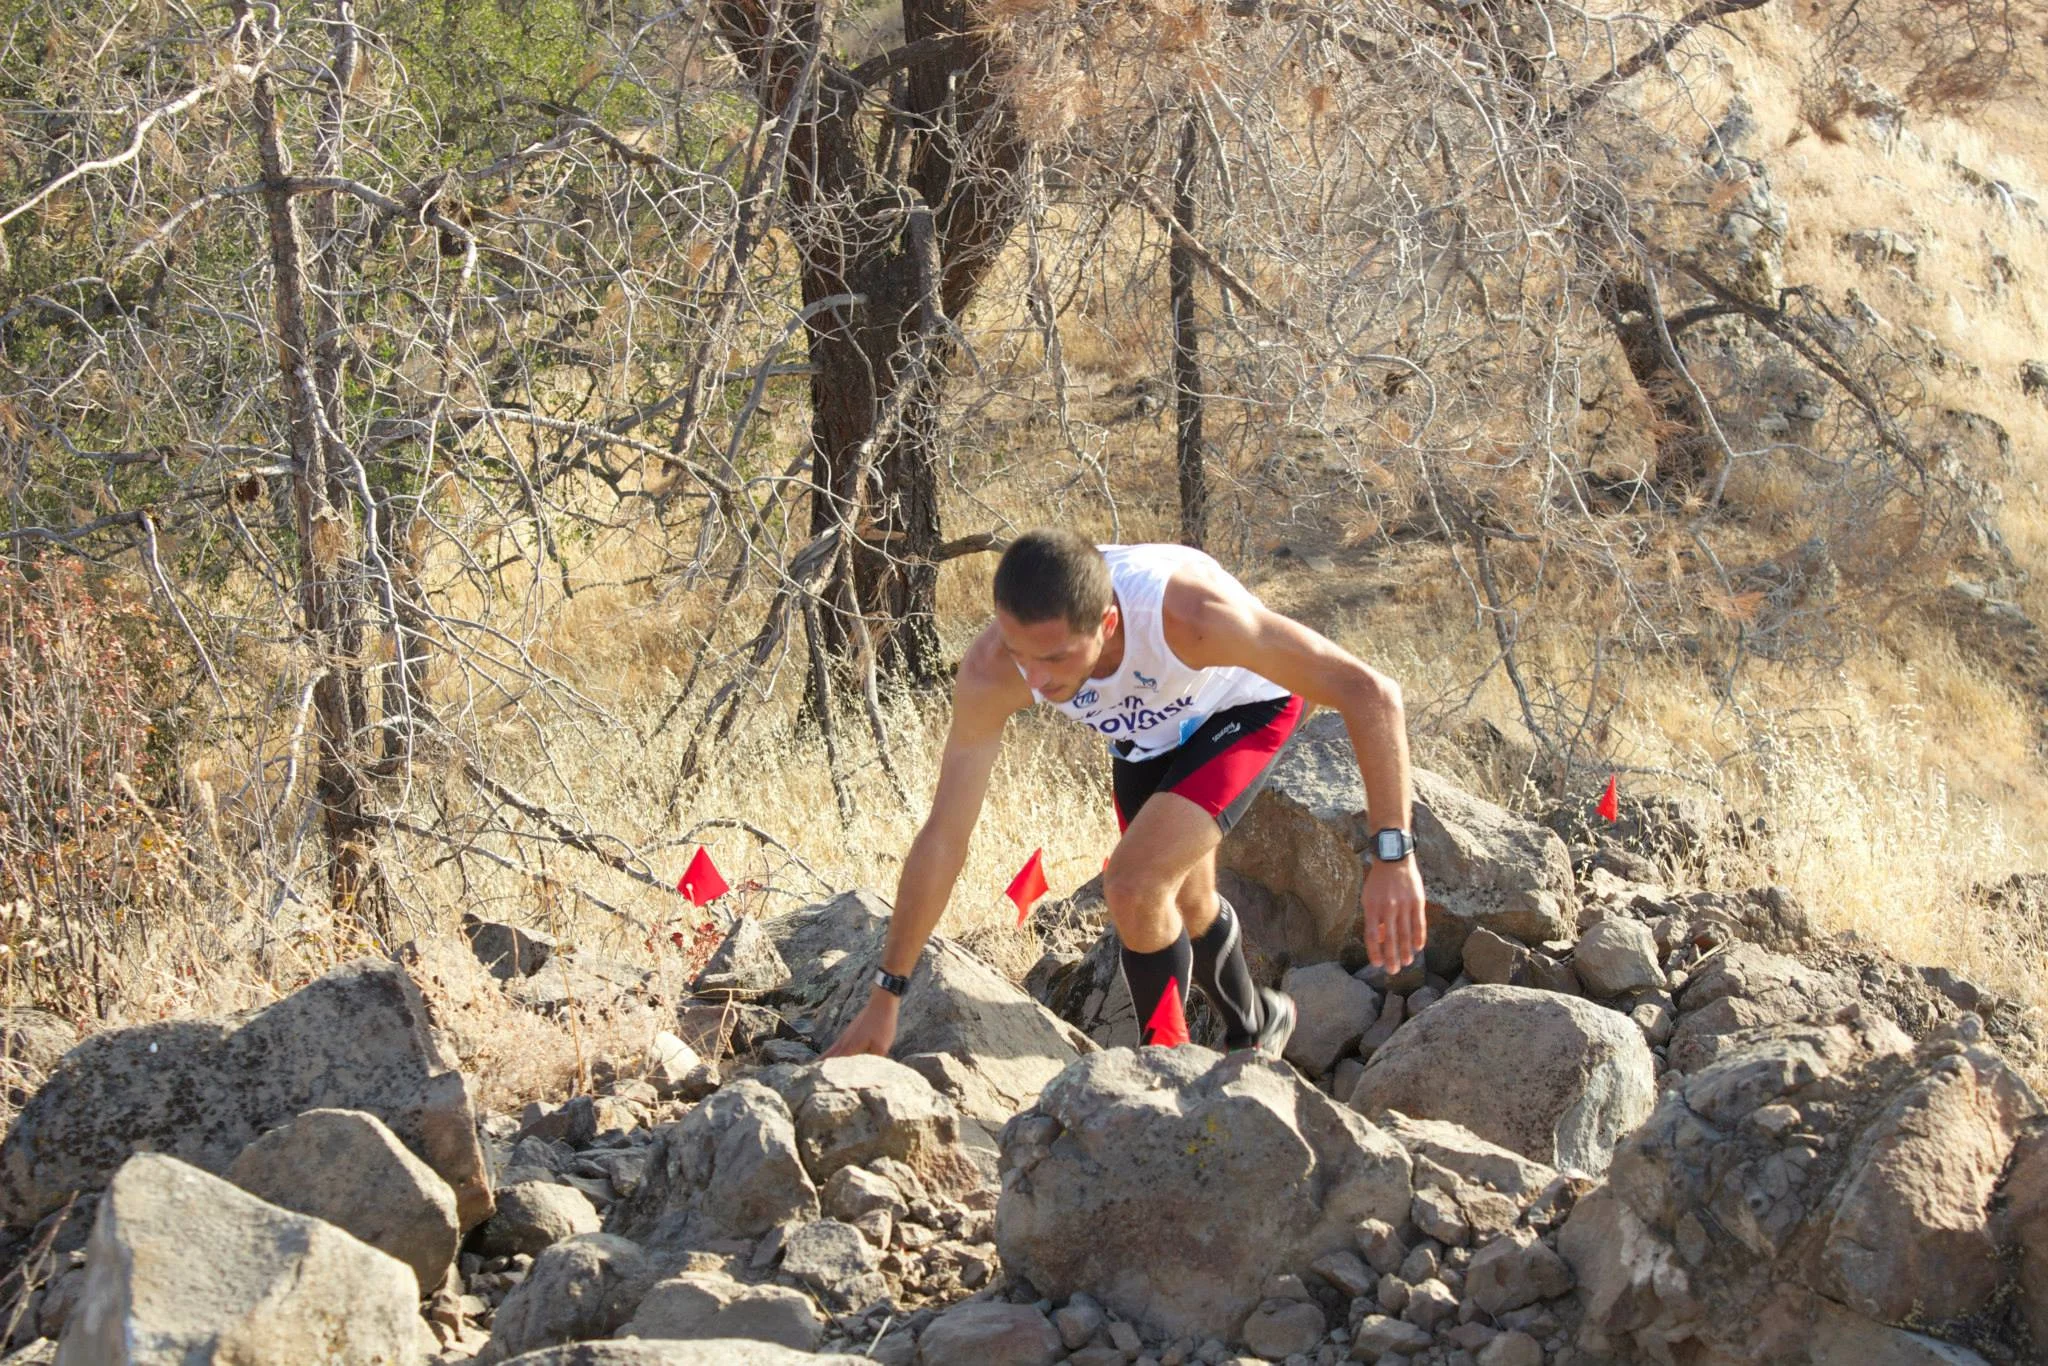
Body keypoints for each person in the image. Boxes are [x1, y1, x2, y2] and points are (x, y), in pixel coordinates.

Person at [822, 529, 1427, 1062]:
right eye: (1019, 653)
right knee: (1186, 903)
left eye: (1056, 657)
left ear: (1108, 624)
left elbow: (1371, 693)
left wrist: (1393, 858)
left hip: (1245, 707)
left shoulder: (1190, 615)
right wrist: (887, 994)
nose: (1035, 681)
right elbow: (945, 835)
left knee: (1134, 884)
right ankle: (1259, 1021)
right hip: (1147, 734)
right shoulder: (990, 670)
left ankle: (1164, 1063)